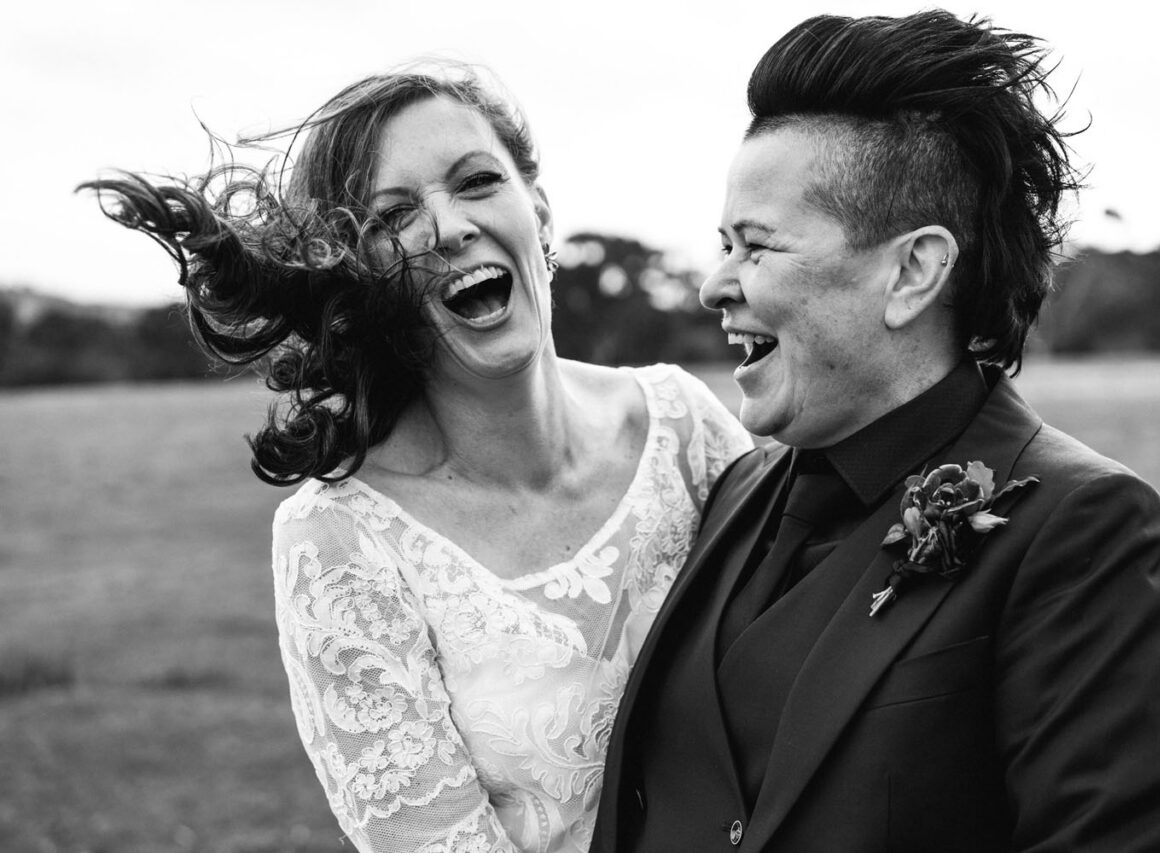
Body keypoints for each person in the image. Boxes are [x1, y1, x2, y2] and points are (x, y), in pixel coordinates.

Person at [81, 65, 753, 853]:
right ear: (357, 280)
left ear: (538, 210)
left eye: (476, 182)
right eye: (394, 216)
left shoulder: (683, 424)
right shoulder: (341, 542)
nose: (448, 227)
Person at [591, 11, 1160, 852]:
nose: (715, 285)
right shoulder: (734, 489)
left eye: (757, 246)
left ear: (913, 271)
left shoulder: (1088, 533)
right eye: (723, 244)